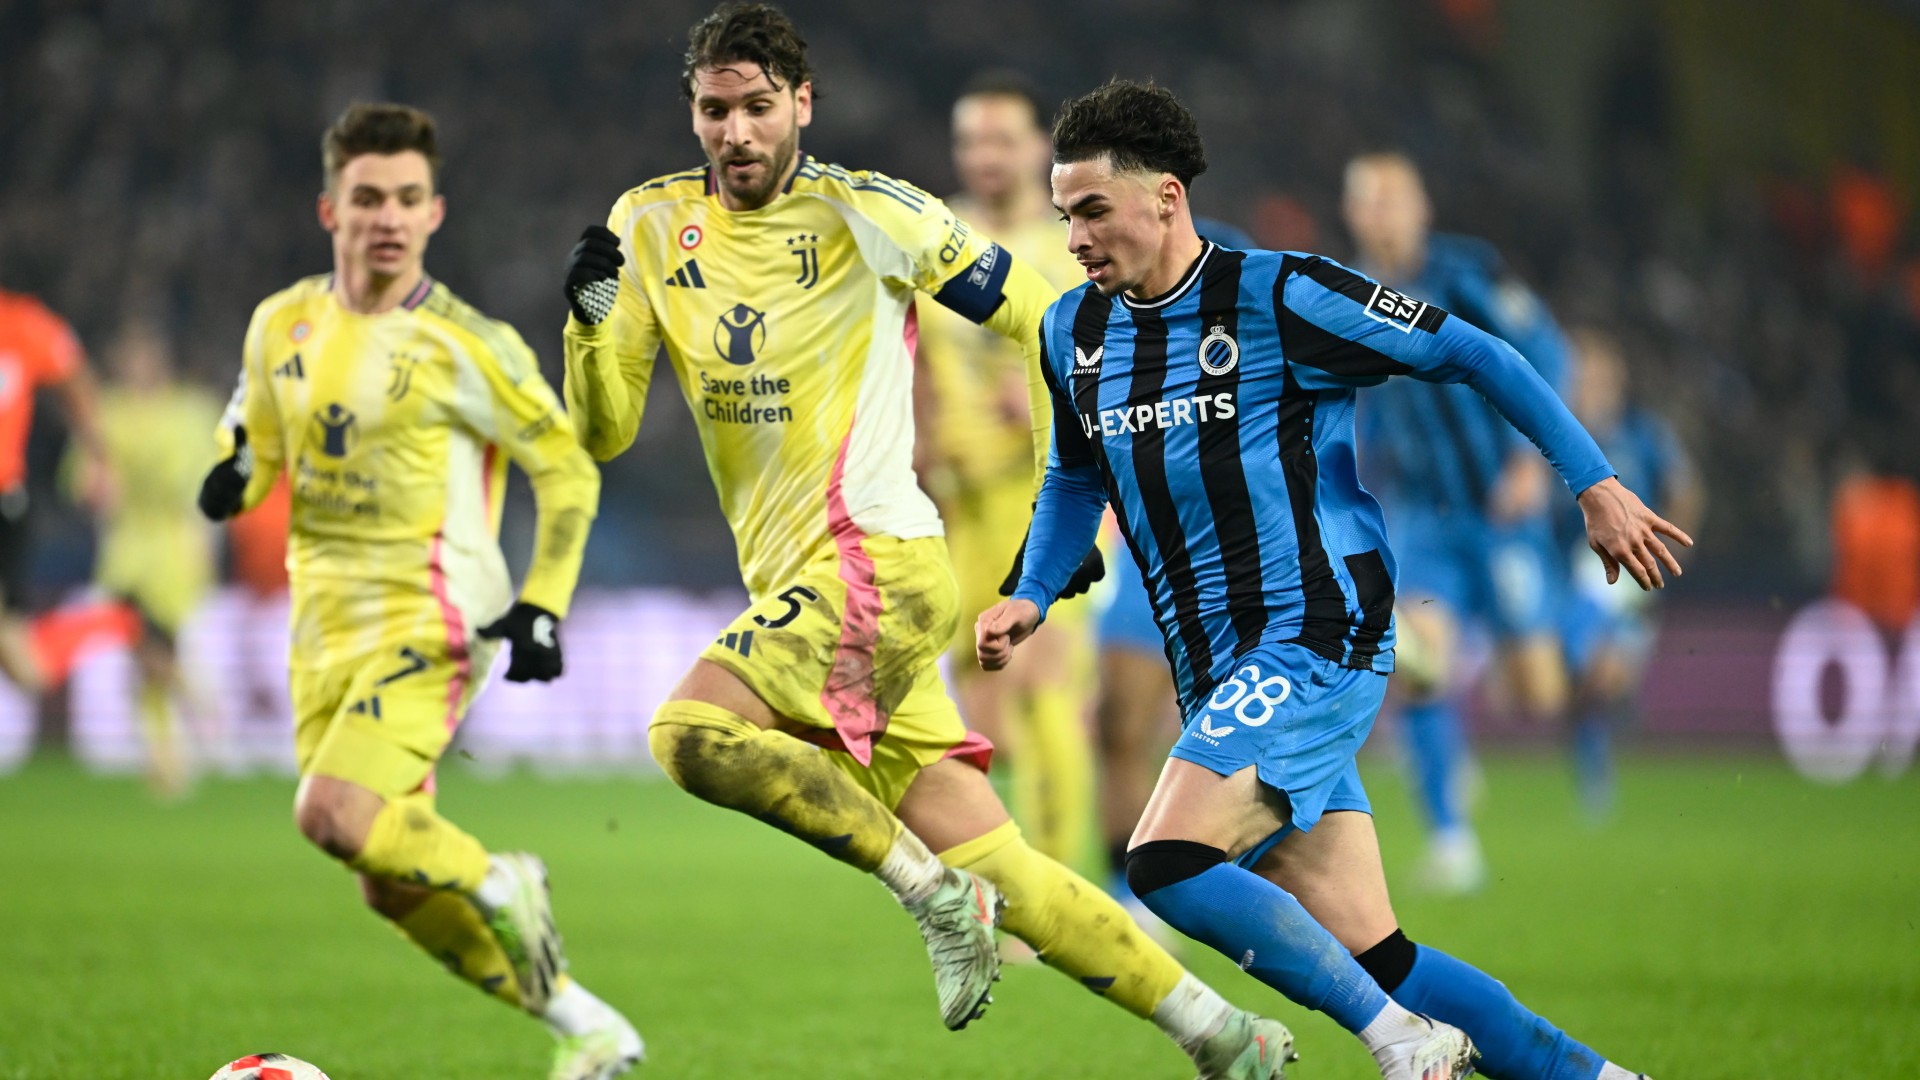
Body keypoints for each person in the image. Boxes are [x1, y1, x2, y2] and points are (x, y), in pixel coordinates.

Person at [562, 6, 1291, 1076]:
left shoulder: (871, 212)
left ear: (802, 104)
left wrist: (1061, 498)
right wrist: (589, 322)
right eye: (715, 110)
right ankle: (1226, 1034)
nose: (736, 132)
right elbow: (604, 428)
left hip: (880, 561)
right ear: (693, 112)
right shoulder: (647, 223)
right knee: (1013, 870)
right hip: (808, 588)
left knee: (692, 735)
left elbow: (1044, 316)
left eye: (759, 107)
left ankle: (931, 894)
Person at [978, 79, 1681, 1080]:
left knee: (1165, 862)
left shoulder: (1282, 296)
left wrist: (1594, 482)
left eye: (1093, 210)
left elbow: (1471, 351)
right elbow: (1073, 477)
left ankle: (1401, 1047)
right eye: (1065, 216)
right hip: (1219, 671)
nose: (1076, 237)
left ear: (1166, 198)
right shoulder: (1072, 334)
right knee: (1383, 958)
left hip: (1315, 634)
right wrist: (1031, 591)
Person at [195, 102, 639, 1080]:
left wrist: (543, 603)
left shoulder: (469, 344)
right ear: (330, 210)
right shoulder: (281, 323)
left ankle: (500, 878)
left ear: (435, 213)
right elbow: (255, 444)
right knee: (386, 880)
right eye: (368, 198)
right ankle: (589, 1026)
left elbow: (567, 470)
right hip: (321, 624)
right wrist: (234, 476)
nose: (387, 217)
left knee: (330, 813)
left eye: (407, 198)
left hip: (433, 615)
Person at [1342, 151, 1574, 892]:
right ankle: (1451, 838)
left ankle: (1515, 651)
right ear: (1352, 214)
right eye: (1368, 200)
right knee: (1417, 665)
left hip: (1501, 511)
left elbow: (1547, 353)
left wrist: (1532, 459)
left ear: (1422, 208)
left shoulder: (1469, 272)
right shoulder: (1345, 293)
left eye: (1393, 198)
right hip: (1426, 516)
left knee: (1538, 696)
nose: (1381, 213)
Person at [912, 71, 1097, 876]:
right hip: (959, 500)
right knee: (980, 694)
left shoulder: (1073, 240)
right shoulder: (935, 235)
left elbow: (1121, 347)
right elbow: (915, 353)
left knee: (1047, 682)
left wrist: (1055, 395)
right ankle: (1002, 876)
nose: (985, 155)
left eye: (1002, 140)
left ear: (1038, 148)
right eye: (971, 141)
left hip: (1053, 492)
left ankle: (1058, 886)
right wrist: (920, 441)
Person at [1095, 215, 1254, 930]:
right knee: (1117, 727)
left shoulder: (1251, 328)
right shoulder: (1109, 336)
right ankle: (1129, 892)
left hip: (1243, 572)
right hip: (1147, 565)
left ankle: (1234, 888)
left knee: (1234, 749)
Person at [1556, 327, 1700, 817]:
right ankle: (1594, 764)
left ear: (1617, 381)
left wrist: (1668, 546)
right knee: (1588, 676)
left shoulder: (1644, 434)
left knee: (1601, 675)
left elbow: (1686, 489)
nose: (1590, 387)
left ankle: (1597, 749)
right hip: (1571, 573)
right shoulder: (1557, 435)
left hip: (1630, 573)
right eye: (1582, 377)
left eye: (1598, 377)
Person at [80, 319, 222, 795]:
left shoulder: (189, 412)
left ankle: (166, 761)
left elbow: (210, 480)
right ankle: (192, 693)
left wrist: (205, 536)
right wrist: (96, 487)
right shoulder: (106, 411)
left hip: (173, 544)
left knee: (153, 651)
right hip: (126, 546)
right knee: (138, 641)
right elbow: (85, 480)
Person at [0, 287, 114, 705]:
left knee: (12, 642)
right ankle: (121, 627)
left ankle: (118, 628)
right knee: (12, 646)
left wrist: (96, 456)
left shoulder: (20, 323)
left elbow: (75, 377)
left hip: (5, 501)